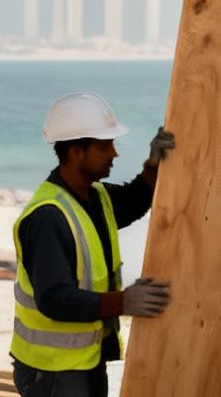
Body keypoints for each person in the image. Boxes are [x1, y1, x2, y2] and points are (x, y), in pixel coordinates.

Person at [10, 92, 176, 397]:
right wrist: (124, 302)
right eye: (104, 146)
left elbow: (135, 200)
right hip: (52, 371)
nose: (114, 153)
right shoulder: (48, 217)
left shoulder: (94, 197)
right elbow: (54, 299)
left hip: (84, 361)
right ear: (76, 152)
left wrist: (153, 165)